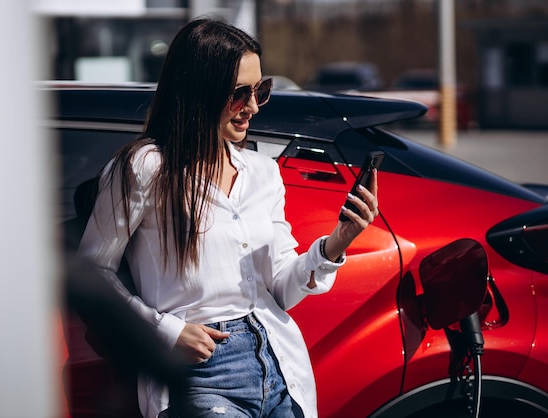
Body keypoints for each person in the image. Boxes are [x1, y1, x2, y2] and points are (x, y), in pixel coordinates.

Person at [77, 17, 379, 418]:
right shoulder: (144, 167)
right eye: (240, 93)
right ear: (199, 91)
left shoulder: (262, 172)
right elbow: (91, 272)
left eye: (260, 90)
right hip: (199, 374)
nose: (253, 107)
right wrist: (164, 332)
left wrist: (337, 242)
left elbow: (282, 289)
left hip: (277, 361)